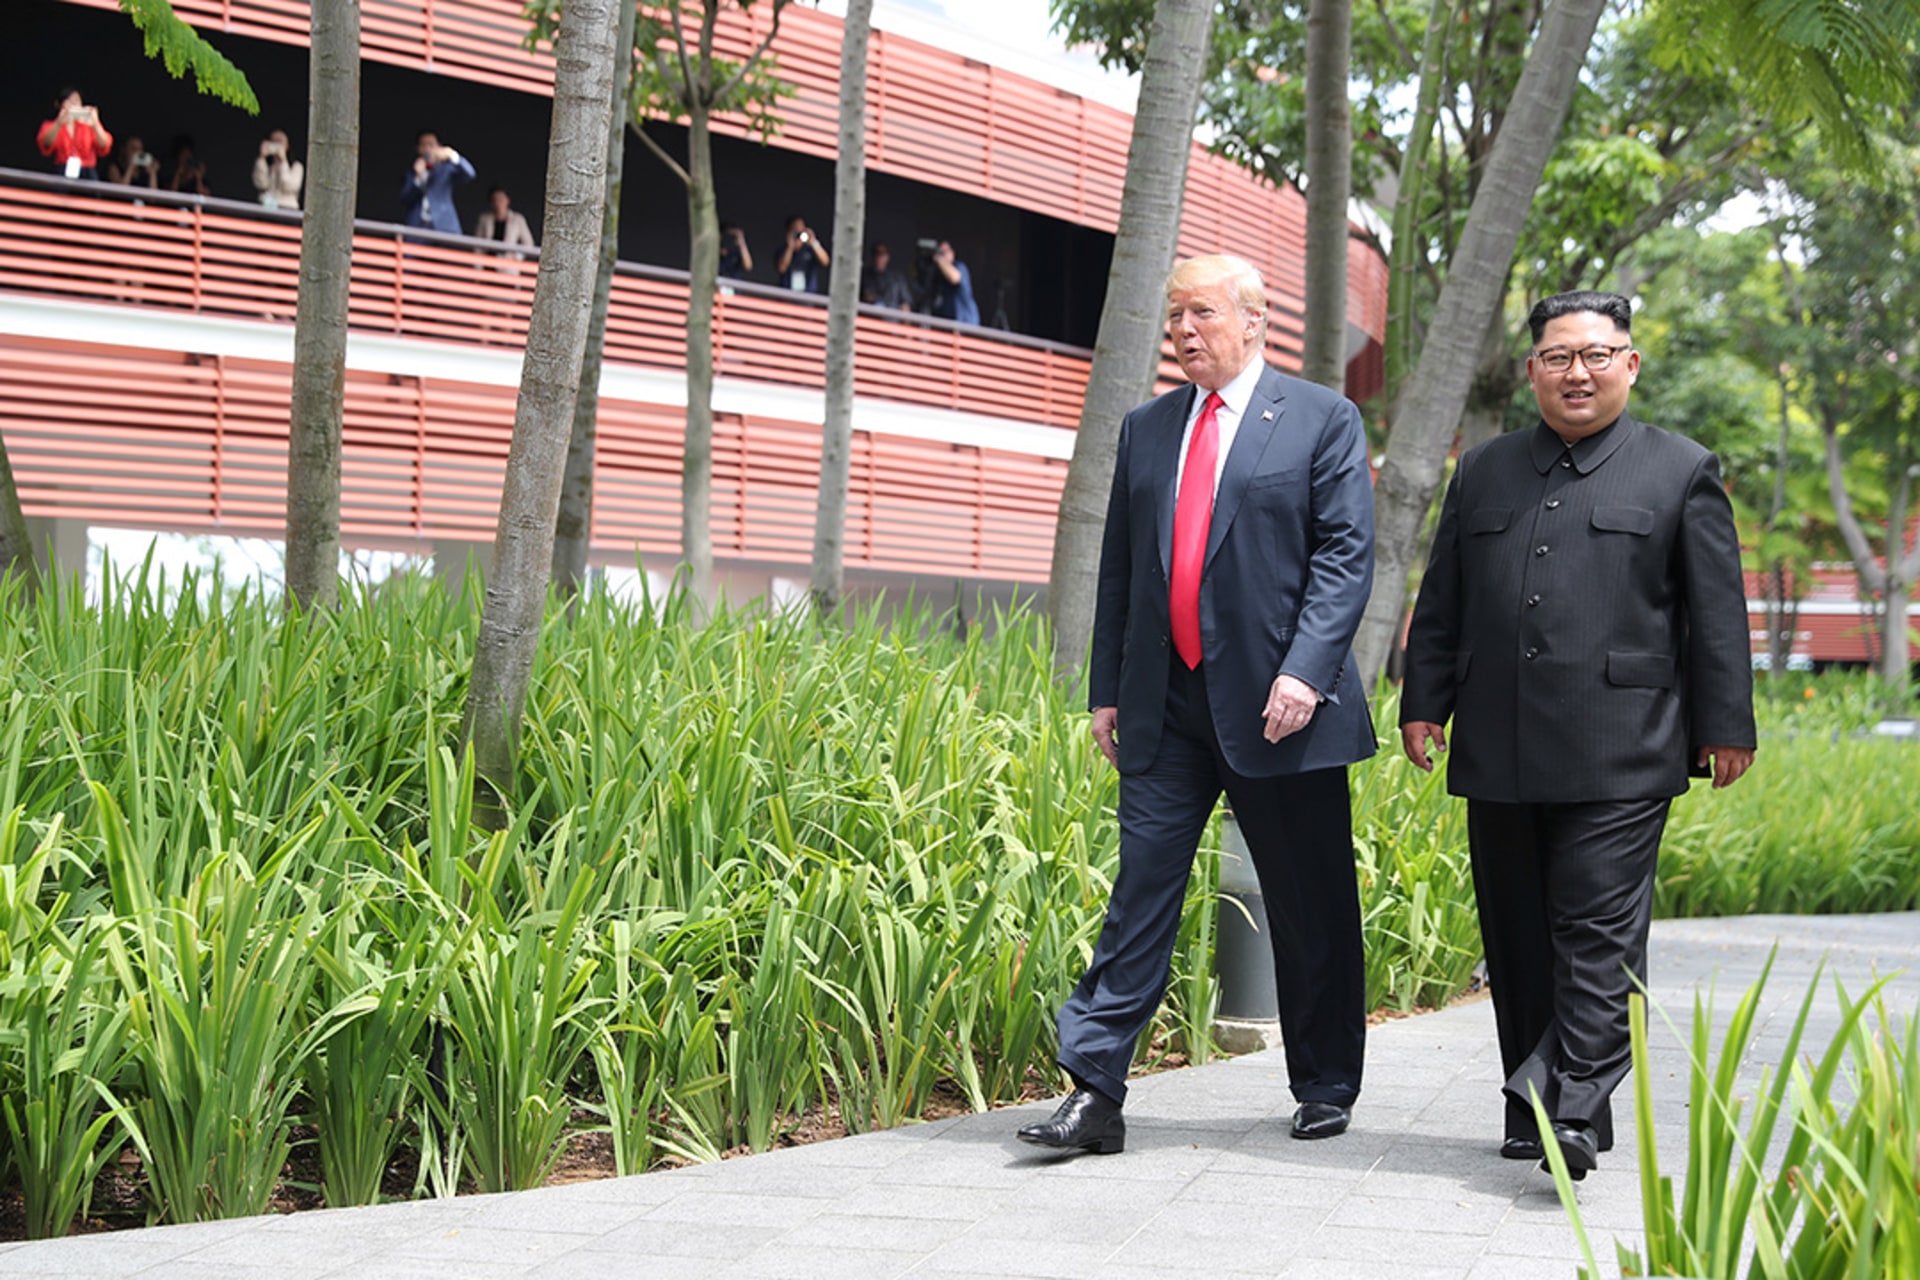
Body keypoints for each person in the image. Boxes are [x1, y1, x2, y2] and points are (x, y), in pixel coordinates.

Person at [1017, 254, 1376, 1156]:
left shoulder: (1321, 418)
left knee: (1309, 901)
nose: (1183, 330)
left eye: (1202, 313)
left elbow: (1344, 556)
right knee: (1140, 895)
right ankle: (1095, 1091)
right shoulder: (1148, 428)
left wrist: (1306, 672)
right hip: (1165, 705)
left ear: (1254, 320)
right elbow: (1121, 566)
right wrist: (1107, 690)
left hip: (1281, 707)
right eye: (1176, 315)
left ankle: (1324, 1082)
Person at [1399, 290, 1756, 1181]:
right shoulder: (1483, 471)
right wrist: (1423, 701)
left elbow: (1717, 614)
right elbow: (1443, 599)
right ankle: (1531, 1112)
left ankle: (1578, 1108)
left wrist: (1726, 725)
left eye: (1597, 355)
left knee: (1596, 935)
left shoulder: (1681, 469)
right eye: (1559, 357)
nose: (1578, 373)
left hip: (1623, 745)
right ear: (1533, 371)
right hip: (1498, 744)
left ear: (1629, 364)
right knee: (1518, 937)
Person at [399, 131, 475, 234]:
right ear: (418, 149)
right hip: (418, 228)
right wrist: (418, 178)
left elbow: (470, 173)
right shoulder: (412, 173)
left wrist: (453, 155)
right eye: (423, 145)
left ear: (439, 147)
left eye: (431, 145)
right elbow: (405, 198)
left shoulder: (446, 168)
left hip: (444, 226)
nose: (427, 149)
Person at [37, 88, 112, 180]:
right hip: (63, 169)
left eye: (76, 101)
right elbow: (46, 143)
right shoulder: (52, 125)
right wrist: (58, 124)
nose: (74, 104)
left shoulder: (88, 125)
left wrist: (95, 124)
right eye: (69, 101)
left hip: (87, 171)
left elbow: (104, 145)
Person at [925, 240, 978, 326]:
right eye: (939, 252)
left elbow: (954, 277)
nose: (942, 255)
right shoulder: (937, 274)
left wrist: (939, 259)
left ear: (952, 253)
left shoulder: (959, 266)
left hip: (964, 322)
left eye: (944, 252)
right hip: (945, 321)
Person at [252, 129, 304, 210]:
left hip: (287, 208)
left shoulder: (297, 166)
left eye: (280, 142)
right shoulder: (268, 165)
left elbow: (289, 186)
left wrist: (283, 161)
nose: (276, 145)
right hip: (267, 208)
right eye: (273, 141)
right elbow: (261, 185)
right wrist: (262, 158)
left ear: (287, 145)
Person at [473, 186, 536, 253]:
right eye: (495, 200)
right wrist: (479, 258)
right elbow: (478, 242)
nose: (498, 203)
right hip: (488, 257)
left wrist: (517, 256)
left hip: (508, 258)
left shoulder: (518, 219)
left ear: (507, 200)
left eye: (501, 200)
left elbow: (528, 243)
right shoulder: (484, 219)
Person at [775, 214, 827, 293]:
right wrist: (790, 246)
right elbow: (782, 268)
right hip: (788, 294)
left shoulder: (810, 250)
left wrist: (813, 242)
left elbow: (825, 262)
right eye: (796, 230)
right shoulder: (783, 250)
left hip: (808, 295)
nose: (799, 233)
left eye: (802, 229)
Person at [860, 242, 913, 310]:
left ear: (887, 256)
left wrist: (904, 313)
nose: (879, 257)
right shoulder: (864, 276)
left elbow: (906, 303)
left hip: (890, 315)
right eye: (876, 253)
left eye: (882, 254)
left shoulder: (897, 278)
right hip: (868, 314)